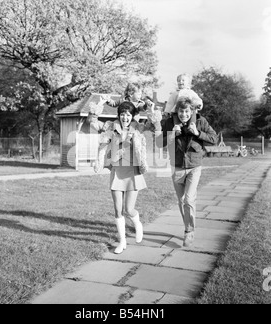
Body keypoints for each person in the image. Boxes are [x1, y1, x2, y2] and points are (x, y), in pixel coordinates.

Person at [88, 97, 161, 254]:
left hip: (133, 172)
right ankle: (122, 241)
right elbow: (93, 123)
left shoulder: (138, 128)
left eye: (128, 114)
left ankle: (137, 224)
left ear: (132, 116)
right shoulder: (111, 127)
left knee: (129, 209)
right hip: (117, 171)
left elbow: (155, 127)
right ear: (119, 115)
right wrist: (98, 105)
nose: (125, 117)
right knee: (118, 210)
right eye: (122, 114)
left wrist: (152, 110)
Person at [155, 97, 217, 248]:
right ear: (177, 111)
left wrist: (198, 133)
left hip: (194, 166)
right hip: (176, 166)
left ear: (192, 111)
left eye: (187, 111)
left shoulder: (201, 121)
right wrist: (172, 134)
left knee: (189, 199)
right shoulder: (170, 123)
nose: (184, 114)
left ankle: (189, 231)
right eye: (181, 111)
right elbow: (158, 142)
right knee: (182, 201)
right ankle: (188, 226)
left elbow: (214, 138)